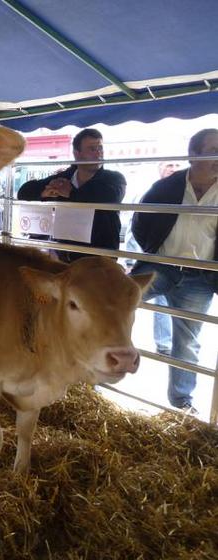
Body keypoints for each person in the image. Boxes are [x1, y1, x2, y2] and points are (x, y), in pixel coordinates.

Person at [131, 128, 218, 415]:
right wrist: (152, 250)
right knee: (117, 304)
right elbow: (140, 219)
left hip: (199, 276)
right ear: (193, 154)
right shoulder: (168, 186)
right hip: (160, 266)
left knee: (188, 341)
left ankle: (181, 404)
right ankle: (101, 368)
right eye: (213, 150)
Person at [17, 128, 126, 262]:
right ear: (77, 154)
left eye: (100, 148)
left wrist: (71, 193)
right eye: (92, 149)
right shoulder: (63, 178)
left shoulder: (115, 179)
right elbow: (23, 192)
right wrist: (44, 192)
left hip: (100, 259)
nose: (98, 153)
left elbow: (109, 196)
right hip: (64, 257)